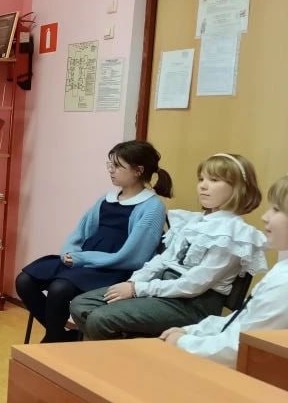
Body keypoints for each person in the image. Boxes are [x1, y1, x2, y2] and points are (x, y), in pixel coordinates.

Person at [70, 153, 268, 340]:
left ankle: (121, 356)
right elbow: (163, 260)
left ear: (238, 188)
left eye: (214, 180)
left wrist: (139, 289)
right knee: (81, 304)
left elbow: (194, 284)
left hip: (191, 304)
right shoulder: (193, 222)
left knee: (101, 318)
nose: (203, 186)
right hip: (161, 290)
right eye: (201, 179)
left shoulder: (235, 234)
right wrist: (134, 282)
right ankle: (128, 350)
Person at [16, 140, 172, 342]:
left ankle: (53, 340)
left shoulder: (152, 207)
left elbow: (133, 257)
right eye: (110, 164)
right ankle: (60, 336)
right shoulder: (107, 198)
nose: (111, 170)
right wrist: (69, 253)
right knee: (25, 281)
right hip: (85, 262)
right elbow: (79, 233)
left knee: (59, 288)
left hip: (115, 268)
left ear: (138, 170)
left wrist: (82, 258)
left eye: (117, 166)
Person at [162, 174, 288, 366]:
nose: (265, 217)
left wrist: (183, 343)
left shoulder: (284, 284)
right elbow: (241, 321)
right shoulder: (281, 269)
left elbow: (241, 347)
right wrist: (192, 332)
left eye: (276, 210)